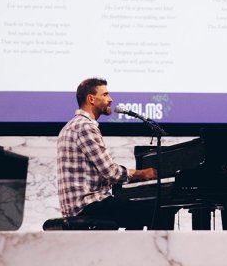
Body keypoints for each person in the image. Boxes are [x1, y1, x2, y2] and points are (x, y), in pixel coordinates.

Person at [57, 77, 173, 229]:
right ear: (91, 99)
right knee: (160, 211)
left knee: (136, 212)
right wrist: (141, 174)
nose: (110, 99)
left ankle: (132, 251)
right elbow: (110, 172)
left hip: (77, 205)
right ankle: (160, 253)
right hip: (88, 205)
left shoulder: (71, 126)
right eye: (105, 95)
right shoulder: (85, 127)